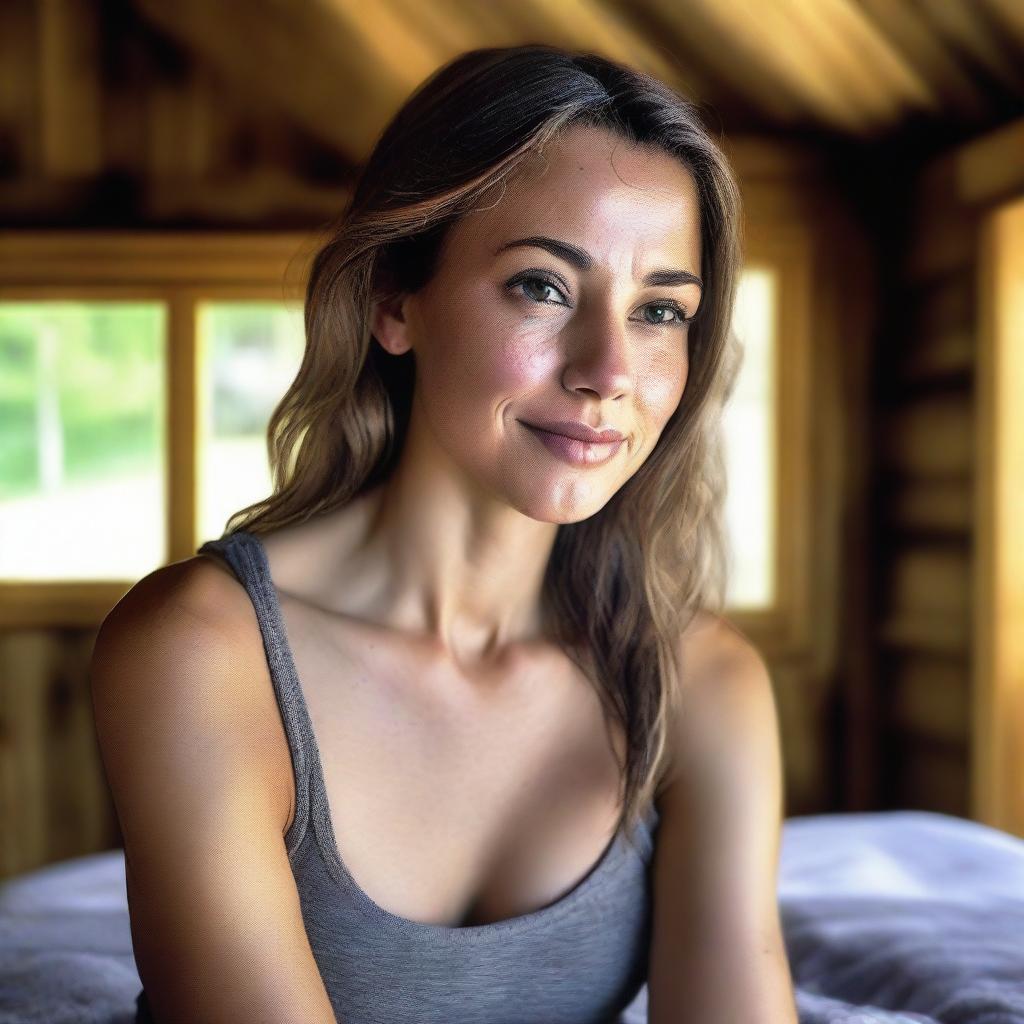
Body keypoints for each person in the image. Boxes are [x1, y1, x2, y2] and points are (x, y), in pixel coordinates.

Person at [89, 43, 799, 1024]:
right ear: (395, 299)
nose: (608, 371)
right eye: (542, 287)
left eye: (658, 311)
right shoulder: (203, 652)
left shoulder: (702, 684)